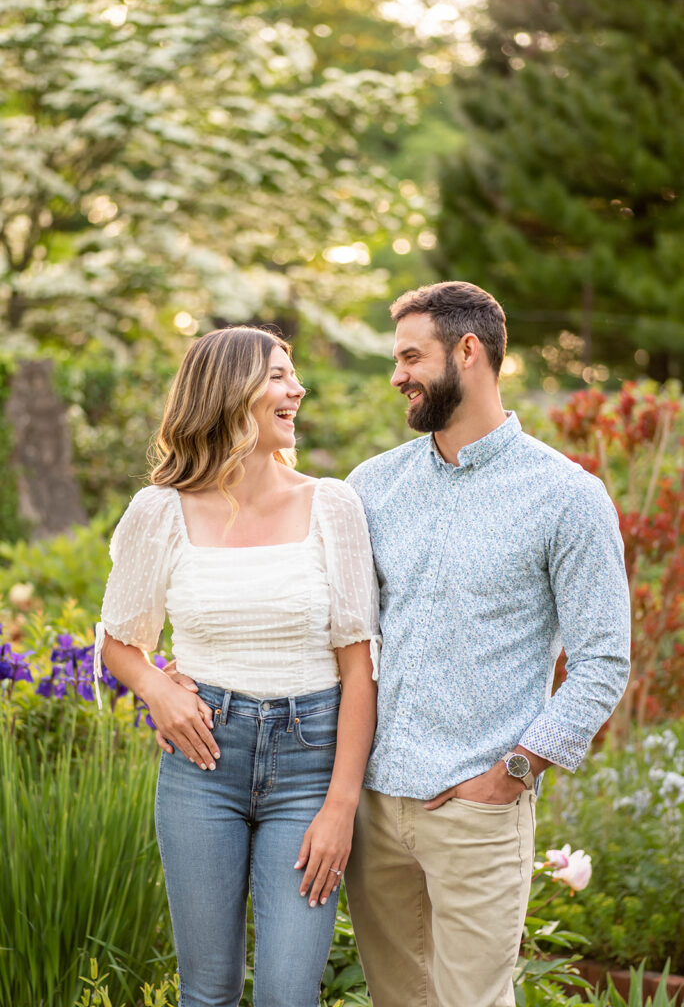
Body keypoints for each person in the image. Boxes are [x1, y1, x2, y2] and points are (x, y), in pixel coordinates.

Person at [342, 281, 631, 1007]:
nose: (397, 374)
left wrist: (512, 771)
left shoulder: (567, 496)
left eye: (412, 356)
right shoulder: (371, 487)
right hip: (375, 809)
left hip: (477, 806)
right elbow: (344, 635)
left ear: (468, 352)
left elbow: (603, 662)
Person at [93, 326, 380, 1007]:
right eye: (279, 375)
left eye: (293, 374)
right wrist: (157, 686)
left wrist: (340, 806)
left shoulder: (331, 505)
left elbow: (360, 669)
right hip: (203, 767)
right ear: (230, 392)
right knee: (208, 993)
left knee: (287, 994)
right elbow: (117, 640)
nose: (297, 389)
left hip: (310, 767)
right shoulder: (158, 510)